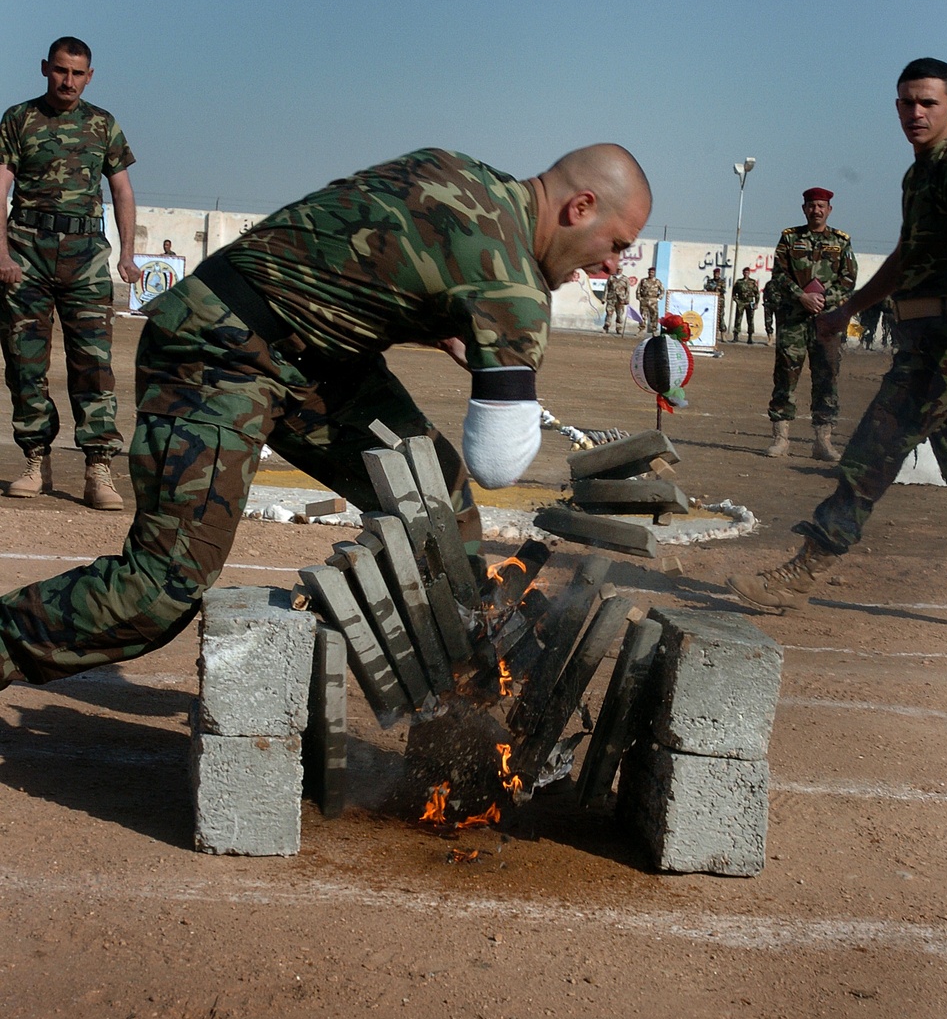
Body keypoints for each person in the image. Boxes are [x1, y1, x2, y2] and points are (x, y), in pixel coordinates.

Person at [0, 143, 651, 687]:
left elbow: (363, 252)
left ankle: (459, 698)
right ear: (580, 207)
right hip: (216, 352)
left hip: (315, 358)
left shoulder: (457, 169)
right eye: (616, 244)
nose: (611, 267)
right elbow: (500, 461)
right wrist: (502, 355)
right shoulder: (511, 284)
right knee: (161, 589)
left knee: (434, 501)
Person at [730, 59, 947, 626]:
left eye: (927, 102)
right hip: (926, 336)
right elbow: (904, 259)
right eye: (906, 102)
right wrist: (850, 308)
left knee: (870, 453)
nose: (915, 112)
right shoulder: (918, 175)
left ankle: (803, 572)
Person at [0, 37, 140, 511]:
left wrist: (127, 253)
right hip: (26, 254)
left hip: (84, 258)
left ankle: (98, 468)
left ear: (90, 76)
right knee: (24, 362)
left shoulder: (103, 124)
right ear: (45, 68)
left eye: (78, 73)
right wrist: (0, 253)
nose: (68, 81)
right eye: (61, 71)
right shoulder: (19, 119)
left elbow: (121, 188)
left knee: (94, 364)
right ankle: (35, 462)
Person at [765, 186, 857, 462]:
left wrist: (823, 300)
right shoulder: (790, 238)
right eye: (811, 206)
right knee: (785, 376)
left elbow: (849, 279)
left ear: (829, 210)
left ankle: (822, 441)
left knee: (827, 377)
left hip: (827, 321)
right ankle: (781, 438)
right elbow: (779, 274)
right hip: (793, 318)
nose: (816, 210)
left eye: (821, 206)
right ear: (804, 209)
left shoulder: (841, 241)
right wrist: (801, 297)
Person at [731, 267, 760, 343]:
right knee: (738, 319)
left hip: (750, 302)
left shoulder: (752, 282)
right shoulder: (739, 282)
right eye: (745, 272)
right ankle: (736, 336)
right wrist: (737, 301)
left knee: (750, 320)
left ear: (749, 273)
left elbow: (757, 293)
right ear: (742, 273)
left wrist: (756, 303)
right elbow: (734, 293)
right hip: (741, 302)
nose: (746, 274)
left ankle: (750, 337)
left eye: (747, 272)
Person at [602, 266, 630, 335]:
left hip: (621, 300)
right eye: (617, 269)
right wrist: (604, 298)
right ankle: (606, 328)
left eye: (620, 269)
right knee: (609, 313)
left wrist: (627, 299)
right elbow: (606, 288)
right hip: (611, 298)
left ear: (622, 270)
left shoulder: (625, 279)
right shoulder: (611, 277)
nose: (619, 271)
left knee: (620, 315)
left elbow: (628, 290)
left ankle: (619, 329)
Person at [637, 266, 664, 334]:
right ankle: (641, 329)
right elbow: (638, 290)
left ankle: (654, 330)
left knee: (654, 315)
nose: (650, 273)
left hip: (653, 301)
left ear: (654, 273)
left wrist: (658, 299)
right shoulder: (643, 280)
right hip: (644, 300)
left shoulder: (657, 282)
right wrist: (639, 298)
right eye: (649, 272)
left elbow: (662, 291)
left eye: (652, 272)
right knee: (642, 315)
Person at [762, 274, 778, 345]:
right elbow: (765, 293)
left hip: (779, 306)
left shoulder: (781, 284)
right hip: (769, 305)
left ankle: (779, 339)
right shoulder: (769, 284)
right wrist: (765, 302)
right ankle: (770, 338)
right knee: (768, 322)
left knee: (780, 323)